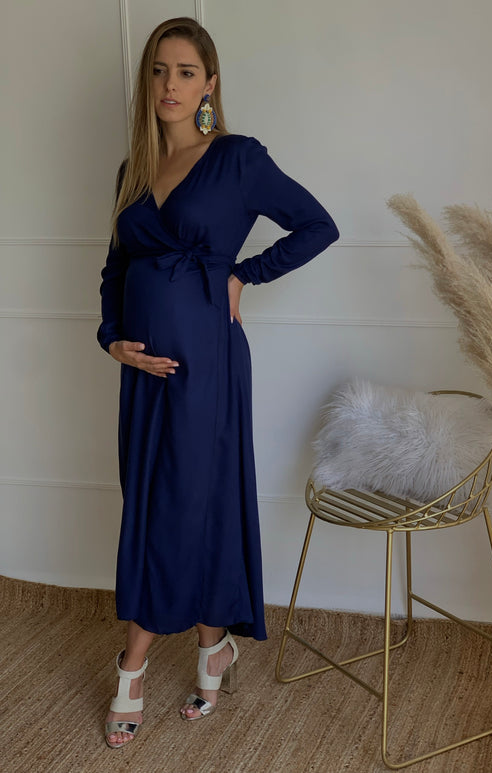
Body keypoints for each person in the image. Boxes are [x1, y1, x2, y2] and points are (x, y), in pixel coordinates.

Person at [97, 16, 339, 749]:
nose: (169, 85)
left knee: (189, 501)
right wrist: (112, 339)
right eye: (158, 71)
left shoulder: (236, 159)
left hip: (207, 363)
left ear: (209, 84)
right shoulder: (133, 169)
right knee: (153, 499)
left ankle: (133, 664)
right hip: (143, 375)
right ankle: (214, 646)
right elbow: (115, 269)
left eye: (185, 72)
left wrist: (243, 274)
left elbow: (317, 225)